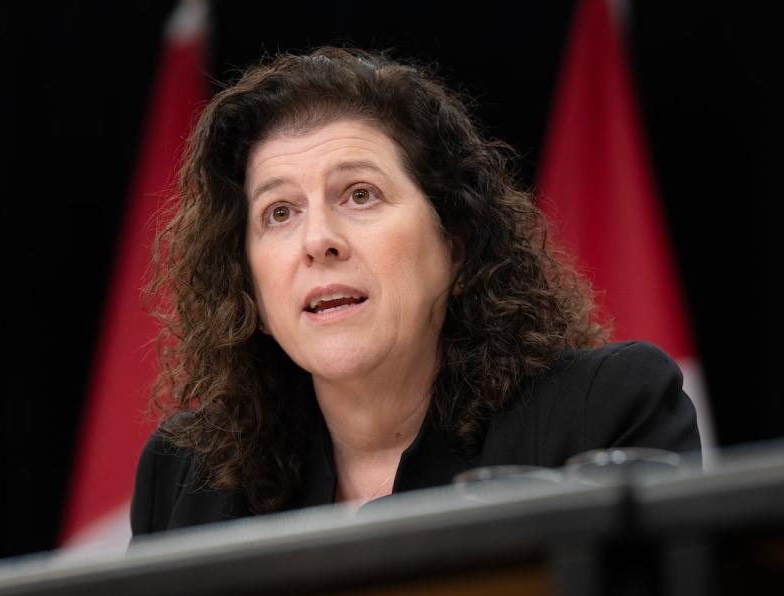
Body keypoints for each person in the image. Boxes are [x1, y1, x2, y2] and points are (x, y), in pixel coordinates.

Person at [131, 47, 699, 536]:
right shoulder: (184, 476)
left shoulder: (602, 412)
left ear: (455, 242)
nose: (318, 240)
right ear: (248, 291)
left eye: (359, 195)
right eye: (279, 212)